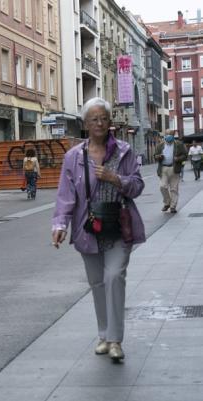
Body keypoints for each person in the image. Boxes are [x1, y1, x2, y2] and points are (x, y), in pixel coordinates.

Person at [52, 97, 145, 363]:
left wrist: (116, 179)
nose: (100, 123)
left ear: (110, 122)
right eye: (94, 119)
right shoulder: (73, 157)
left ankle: (115, 340)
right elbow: (66, 195)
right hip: (89, 227)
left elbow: (138, 186)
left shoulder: (124, 151)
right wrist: (60, 224)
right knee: (97, 283)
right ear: (85, 123)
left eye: (104, 118)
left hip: (118, 226)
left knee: (114, 276)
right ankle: (104, 335)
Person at [154, 132, 187, 213]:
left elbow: (185, 155)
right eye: (167, 139)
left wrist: (178, 159)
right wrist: (159, 156)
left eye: (170, 139)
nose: (168, 141)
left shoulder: (179, 144)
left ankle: (173, 206)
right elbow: (155, 156)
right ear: (165, 137)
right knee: (162, 186)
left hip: (174, 168)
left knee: (174, 189)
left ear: (173, 137)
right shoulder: (160, 145)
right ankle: (167, 202)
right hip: (163, 168)